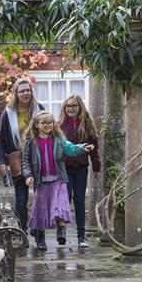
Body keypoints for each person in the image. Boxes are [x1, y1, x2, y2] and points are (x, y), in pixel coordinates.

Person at [22, 111, 94, 251]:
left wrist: (82, 147)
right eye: (44, 123)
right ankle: (40, 237)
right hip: (41, 181)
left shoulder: (59, 139)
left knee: (60, 205)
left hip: (58, 179)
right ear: (37, 125)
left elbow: (70, 148)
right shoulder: (31, 142)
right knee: (41, 209)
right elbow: (25, 161)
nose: (48, 125)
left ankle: (61, 231)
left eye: (50, 122)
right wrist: (28, 175)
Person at [0, 78, 45, 233]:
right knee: (21, 201)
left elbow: (50, 133)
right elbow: (0, 140)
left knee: (40, 199)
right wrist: (2, 161)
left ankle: (38, 231)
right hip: (18, 160)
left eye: (28, 90)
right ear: (16, 94)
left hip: (39, 160)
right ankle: (22, 231)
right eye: (22, 90)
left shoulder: (40, 109)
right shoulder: (8, 114)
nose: (25, 93)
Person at [58, 94, 101, 247]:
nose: (70, 108)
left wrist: (96, 167)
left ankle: (81, 236)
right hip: (64, 168)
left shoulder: (87, 124)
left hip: (81, 168)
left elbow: (94, 148)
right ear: (64, 107)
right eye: (68, 106)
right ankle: (61, 231)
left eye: (74, 106)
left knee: (80, 201)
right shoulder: (60, 125)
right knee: (65, 199)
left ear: (80, 107)